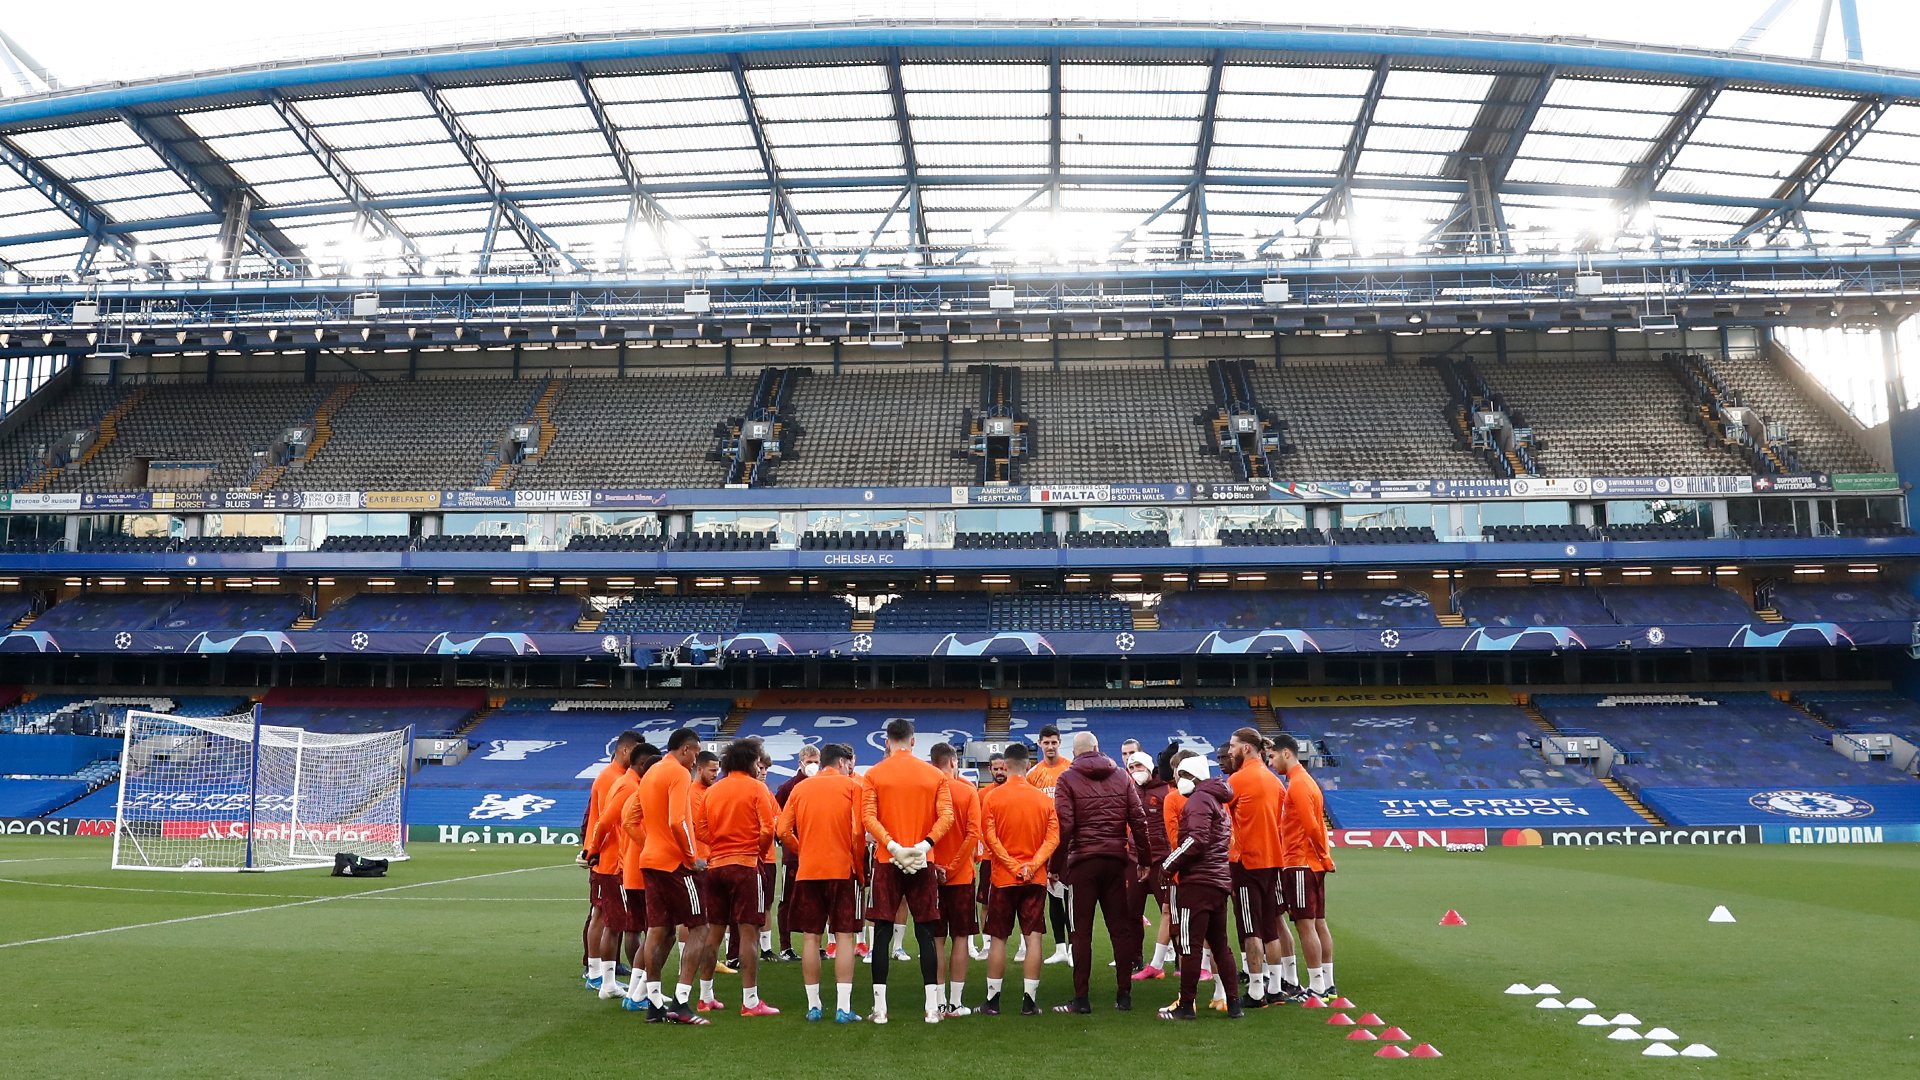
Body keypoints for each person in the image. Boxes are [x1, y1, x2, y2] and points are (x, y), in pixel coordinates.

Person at [861, 717, 956, 1025]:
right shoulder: (933, 775)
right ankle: (931, 1008)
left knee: (883, 933)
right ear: (913, 741)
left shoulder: (874, 774)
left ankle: (880, 1009)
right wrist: (923, 846)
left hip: (888, 862)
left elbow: (868, 818)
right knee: (926, 932)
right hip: (922, 861)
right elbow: (947, 817)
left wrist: (892, 846)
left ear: (887, 741)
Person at [1049, 731, 1152, 1014]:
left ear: (1075, 752)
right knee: (1119, 929)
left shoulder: (1067, 779)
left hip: (1082, 861)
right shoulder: (1120, 776)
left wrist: (1055, 866)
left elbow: (1065, 825)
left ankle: (1081, 998)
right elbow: (1139, 820)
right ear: (1098, 747)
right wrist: (1144, 859)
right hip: (1115, 859)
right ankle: (1124, 994)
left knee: (1080, 932)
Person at [775, 742, 867, 1024]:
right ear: (841, 763)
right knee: (844, 937)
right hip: (841, 869)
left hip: (809, 870)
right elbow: (856, 833)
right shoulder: (852, 788)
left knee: (812, 939)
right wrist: (859, 870)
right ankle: (842, 1007)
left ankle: (814, 1006)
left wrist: (803, 850)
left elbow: (781, 830)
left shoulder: (801, 788)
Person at [637, 728, 714, 1025]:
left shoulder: (651, 773)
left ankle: (655, 1003)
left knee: (660, 929)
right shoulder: (679, 774)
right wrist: (691, 855)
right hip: (674, 864)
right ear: (685, 750)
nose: (697, 760)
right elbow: (677, 820)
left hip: (651, 859)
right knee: (699, 927)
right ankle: (682, 1000)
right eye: (695, 753)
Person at [699, 739, 780, 1017]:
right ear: (750, 761)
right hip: (745, 865)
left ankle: (705, 996)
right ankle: (750, 1001)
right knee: (749, 932)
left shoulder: (713, 791)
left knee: (714, 931)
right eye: (758, 762)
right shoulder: (757, 788)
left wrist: (718, 846)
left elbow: (701, 828)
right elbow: (769, 829)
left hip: (715, 866)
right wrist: (753, 849)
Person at [1159, 754, 1243, 1021]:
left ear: (1193, 777)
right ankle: (1234, 1003)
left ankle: (1186, 1005)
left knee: (1189, 945)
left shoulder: (1197, 800)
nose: (1178, 781)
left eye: (1182, 775)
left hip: (1197, 882)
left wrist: (1168, 865)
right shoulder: (1218, 801)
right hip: (1218, 881)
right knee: (1221, 945)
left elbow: (1195, 840)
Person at [978, 741, 1058, 1017]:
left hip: (1003, 878)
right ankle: (1029, 1001)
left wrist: (1012, 865)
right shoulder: (1044, 799)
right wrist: (1032, 865)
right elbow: (1053, 838)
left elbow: (990, 837)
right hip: (1033, 879)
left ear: (1006, 765)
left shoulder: (992, 798)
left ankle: (993, 1000)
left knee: (998, 938)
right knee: (1033, 937)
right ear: (1027, 765)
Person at [1224, 727, 1285, 1010]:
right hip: (1273, 862)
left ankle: (1257, 990)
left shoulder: (1238, 780)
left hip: (1246, 862)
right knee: (1270, 926)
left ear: (1246, 748)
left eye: (1233, 746)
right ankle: (1275, 986)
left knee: (1250, 929)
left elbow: (1223, 820)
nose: (1230, 751)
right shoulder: (1275, 782)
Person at [1274, 733, 1336, 1000]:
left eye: (1273, 756)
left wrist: (1322, 855)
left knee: (1305, 925)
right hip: (1311, 862)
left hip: (1300, 862)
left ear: (1286, 753)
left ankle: (1316, 987)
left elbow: (1311, 826)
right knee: (1318, 922)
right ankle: (1328, 983)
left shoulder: (1298, 785)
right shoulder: (1307, 782)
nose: (1272, 762)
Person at [583, 730, 643, 994]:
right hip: (609, 858)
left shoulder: (614, 777)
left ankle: (599, 974)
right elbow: (605, 821)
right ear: (626, 751)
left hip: (608, 856)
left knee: (603, 915)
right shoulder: (613, 779)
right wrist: (593, 850)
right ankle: (597, 974)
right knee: (608, 918)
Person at [929, 741, 982, 1017]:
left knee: (937, 939)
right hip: (960, 877)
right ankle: (955, 1002)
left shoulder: (927, 792)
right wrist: (953, 866)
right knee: (960, 938)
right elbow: (973, 833)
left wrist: (937, 865)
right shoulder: (967, 791)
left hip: (932, 875)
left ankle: (937, 1001)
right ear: (952, 762)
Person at [616, 746, 660, 1013]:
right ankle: (639, 989)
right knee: (655, 930)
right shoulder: (638, 791)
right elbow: (624, 822)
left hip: (635, 866)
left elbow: (624, 822)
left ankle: (638, 989)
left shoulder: (636, 789)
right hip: (644, 869)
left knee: (643, 929)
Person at [1026, 724, 1074, 966]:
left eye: (1054, 742)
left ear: (1059, 742)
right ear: (1039, 743)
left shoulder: (1070, 768)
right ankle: (1060, 948)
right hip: (1045, 840)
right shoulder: (1033, 774)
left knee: (1072, 894)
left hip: (1069, 840)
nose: (1050, 746)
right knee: (1052, 893)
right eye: (1046, 742)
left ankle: (1075, 946)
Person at [1125, 750, 1175, 981]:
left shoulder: (1165, 789)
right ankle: (1134, 958)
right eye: (1132, 767)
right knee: (1131, 912)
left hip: (1161, 860)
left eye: (1139, 767)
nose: (1136, 772)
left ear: (1149, 767)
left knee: (1170, 911)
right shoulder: (1129, 789)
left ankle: (1181, 957)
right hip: (1134, 859)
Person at [772, 743, 821, 962]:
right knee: (788, 898)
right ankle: (785, 945)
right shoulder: (787, 787)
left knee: (818, 899)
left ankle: (815, 942)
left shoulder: (822, 785)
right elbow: (778, 819)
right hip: (794, 853)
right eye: (809, 762)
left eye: (816, 762)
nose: (812, 766)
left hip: (818, 852)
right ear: (800, 762)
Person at [969, 752, 1008, 962]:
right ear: (990, 770)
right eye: (996, 769)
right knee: (986, 903)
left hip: (1012, 857)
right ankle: (987, 944)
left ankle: (1020, 945)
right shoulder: (981, 795)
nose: (1000, 772)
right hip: (988, 858)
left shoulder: (1015, 793)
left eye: (1003, 768)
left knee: (1014, 902)